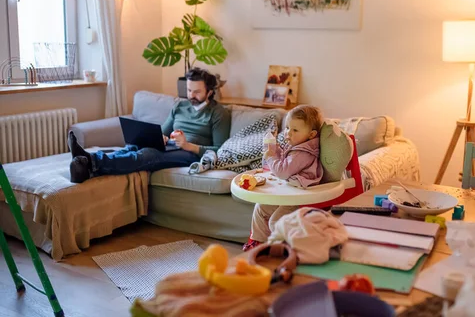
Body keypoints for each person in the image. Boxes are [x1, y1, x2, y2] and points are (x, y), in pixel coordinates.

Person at [68, 68, 231, 183]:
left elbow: (220, 149)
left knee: (148, 154)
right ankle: (85, 164)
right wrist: (161, 137)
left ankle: (90, 161)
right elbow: (162, 132)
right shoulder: (180, 106)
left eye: (197, 92)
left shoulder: (218, 113)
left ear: (209, 92)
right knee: (134, 147)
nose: (191, 95)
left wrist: (188, 146)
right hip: (172, 147)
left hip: (191, 155)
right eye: (189, 90)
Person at [243, 105, 324, 251]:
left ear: (311, 135)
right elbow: (287, 164)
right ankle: (258, 243)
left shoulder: (304, 153)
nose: (288, 133)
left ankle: (282, 251)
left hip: (300, 197)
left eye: (295, 130)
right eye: (287, 128)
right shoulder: (298, 146)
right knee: (260, 207)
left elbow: (282, 171)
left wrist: (271, 157)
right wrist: (277, 151)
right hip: (290, 191)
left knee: (276, 222)